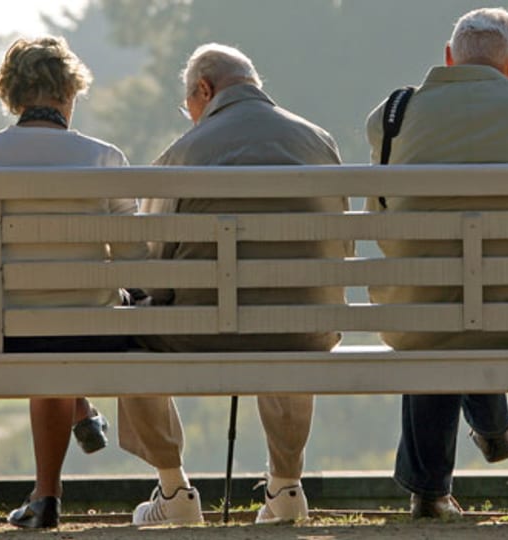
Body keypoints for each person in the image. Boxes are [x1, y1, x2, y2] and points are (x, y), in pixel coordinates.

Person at [116, 43, 351, 527]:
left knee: (127, 331)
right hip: (305, 333)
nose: (191, 118)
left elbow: (151, 270)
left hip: (199, 333)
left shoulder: (183, 154)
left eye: (190, 108)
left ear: (204, 89)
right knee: (294, 311)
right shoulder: (318, 142)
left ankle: (173, 489)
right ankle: (286, 488)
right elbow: (341, 248)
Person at [364, 8, 508, 519]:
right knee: (480, 291)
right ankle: (492, 424)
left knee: (434, 306)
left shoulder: (390, 115)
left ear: (448, 57)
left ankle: (430, 493)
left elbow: (380, 217)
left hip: (419, 314)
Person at [0, 36, 147, 528]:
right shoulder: (103, 157)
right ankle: (57, 467)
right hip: (90, 329)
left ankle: (46, 494)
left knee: (43, 330)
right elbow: (137, 259)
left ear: (11, 94)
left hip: (8, 330)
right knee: (70, 325)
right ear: (69, 91)